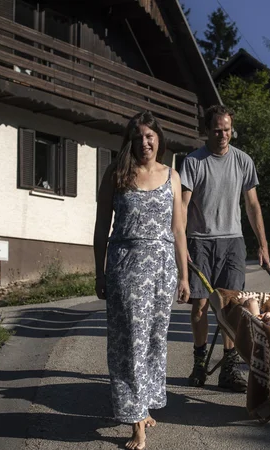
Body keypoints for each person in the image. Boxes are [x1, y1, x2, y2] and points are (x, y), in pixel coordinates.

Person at [93, 111, 190, 450]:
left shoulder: (172, 176)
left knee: (153, 341)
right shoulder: (116, 173)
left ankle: (143, 405)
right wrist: (99, 271)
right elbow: (101, 226)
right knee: (129, 343)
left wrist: (184, 276)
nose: (145, 142)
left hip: (163, 269)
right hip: (126, 267)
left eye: (150, 136)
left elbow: (178, 229)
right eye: (138, 137)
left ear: (159, 138)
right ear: (130, 141)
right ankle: (136, 424)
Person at [180, 104, 270, 392]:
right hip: (199, 240)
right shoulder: (193, 162)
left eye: (227, 130)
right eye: (217, 130)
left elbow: (253, 205)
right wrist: (180, 244)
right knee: (200, 305)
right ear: (206, 130)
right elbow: (182, 206)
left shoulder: (243, 161)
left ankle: (229, 369)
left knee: (231, 307)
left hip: (233, 242)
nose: (223, 135)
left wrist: (263, 244)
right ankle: (198, 362)